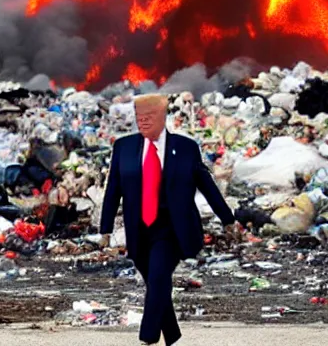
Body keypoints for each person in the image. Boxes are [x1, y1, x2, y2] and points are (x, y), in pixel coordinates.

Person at [100, 94, 240, 345]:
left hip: (171, 227)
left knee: (158, 275)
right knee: (155, 281)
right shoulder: (124, 147)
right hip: (138, 228)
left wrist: (227, 219)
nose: (143, 122)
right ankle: (172, 335)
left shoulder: (185, 147)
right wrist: (105, 229)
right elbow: (113, 189)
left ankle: (148, 338)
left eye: (149, 117)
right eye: (139, 117)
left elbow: (206, 184)